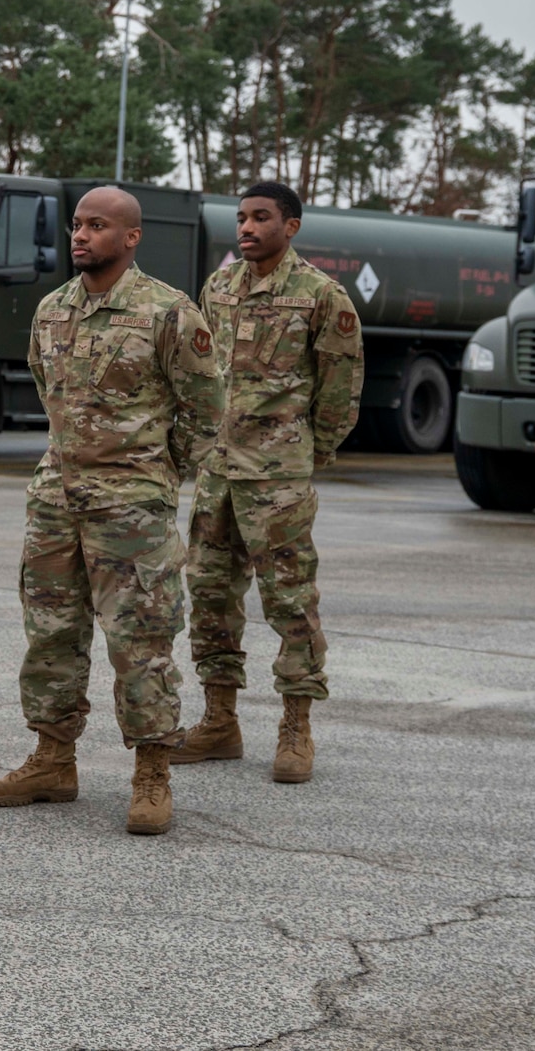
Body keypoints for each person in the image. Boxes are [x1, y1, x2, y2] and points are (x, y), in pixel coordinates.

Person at [0, 186, 224, 835]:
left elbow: (205, 411)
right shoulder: (53, 308)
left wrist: (151, 473)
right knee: (51, 633)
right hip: (57, 499)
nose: (81, 235)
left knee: (141, 637)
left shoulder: (169, 311)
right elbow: (46, 386)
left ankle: (152, 771)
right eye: (78, 224)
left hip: (131, 508)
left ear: (131, 236)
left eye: (98, 225)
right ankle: (53, 760)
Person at [175, 181, 362, 781]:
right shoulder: (219, 287)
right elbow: (203, 375)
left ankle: (296, 728)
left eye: (262, 218)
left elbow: (341, 388)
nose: (248, 228)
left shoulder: (320, 296)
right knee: (208, 597)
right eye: (242, 218)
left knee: (289, 603)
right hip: (217, 474)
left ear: (293, 225)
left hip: (276, 478)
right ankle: (220, 722)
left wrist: (310, 453)